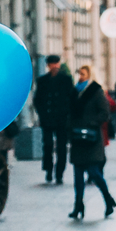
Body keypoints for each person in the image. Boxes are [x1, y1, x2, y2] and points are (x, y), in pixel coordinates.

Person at [67, 65, 115, 219]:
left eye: (83, 74)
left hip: (92, 138)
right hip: (77, 138)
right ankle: (78, 205)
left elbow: (105, 113)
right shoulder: (75, 92)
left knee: (94, 172)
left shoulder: (96, 91)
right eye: (79, 73)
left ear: (90, 75)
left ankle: (108, 199)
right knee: (78, 176)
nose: (80, 76)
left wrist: (91, 123)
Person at [33, 55, 76, 184]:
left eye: (56, 63)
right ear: (48, 65)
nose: (54, 66)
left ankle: (59, 173)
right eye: (52, 64)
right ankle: (48, 169)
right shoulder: (42, 80)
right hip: (47, 118)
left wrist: (69, 115)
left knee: (62, 147)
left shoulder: (66, 80)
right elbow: (38, 99)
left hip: (62, 119)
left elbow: (72, 98)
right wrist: (41, 114)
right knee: (47, 145)